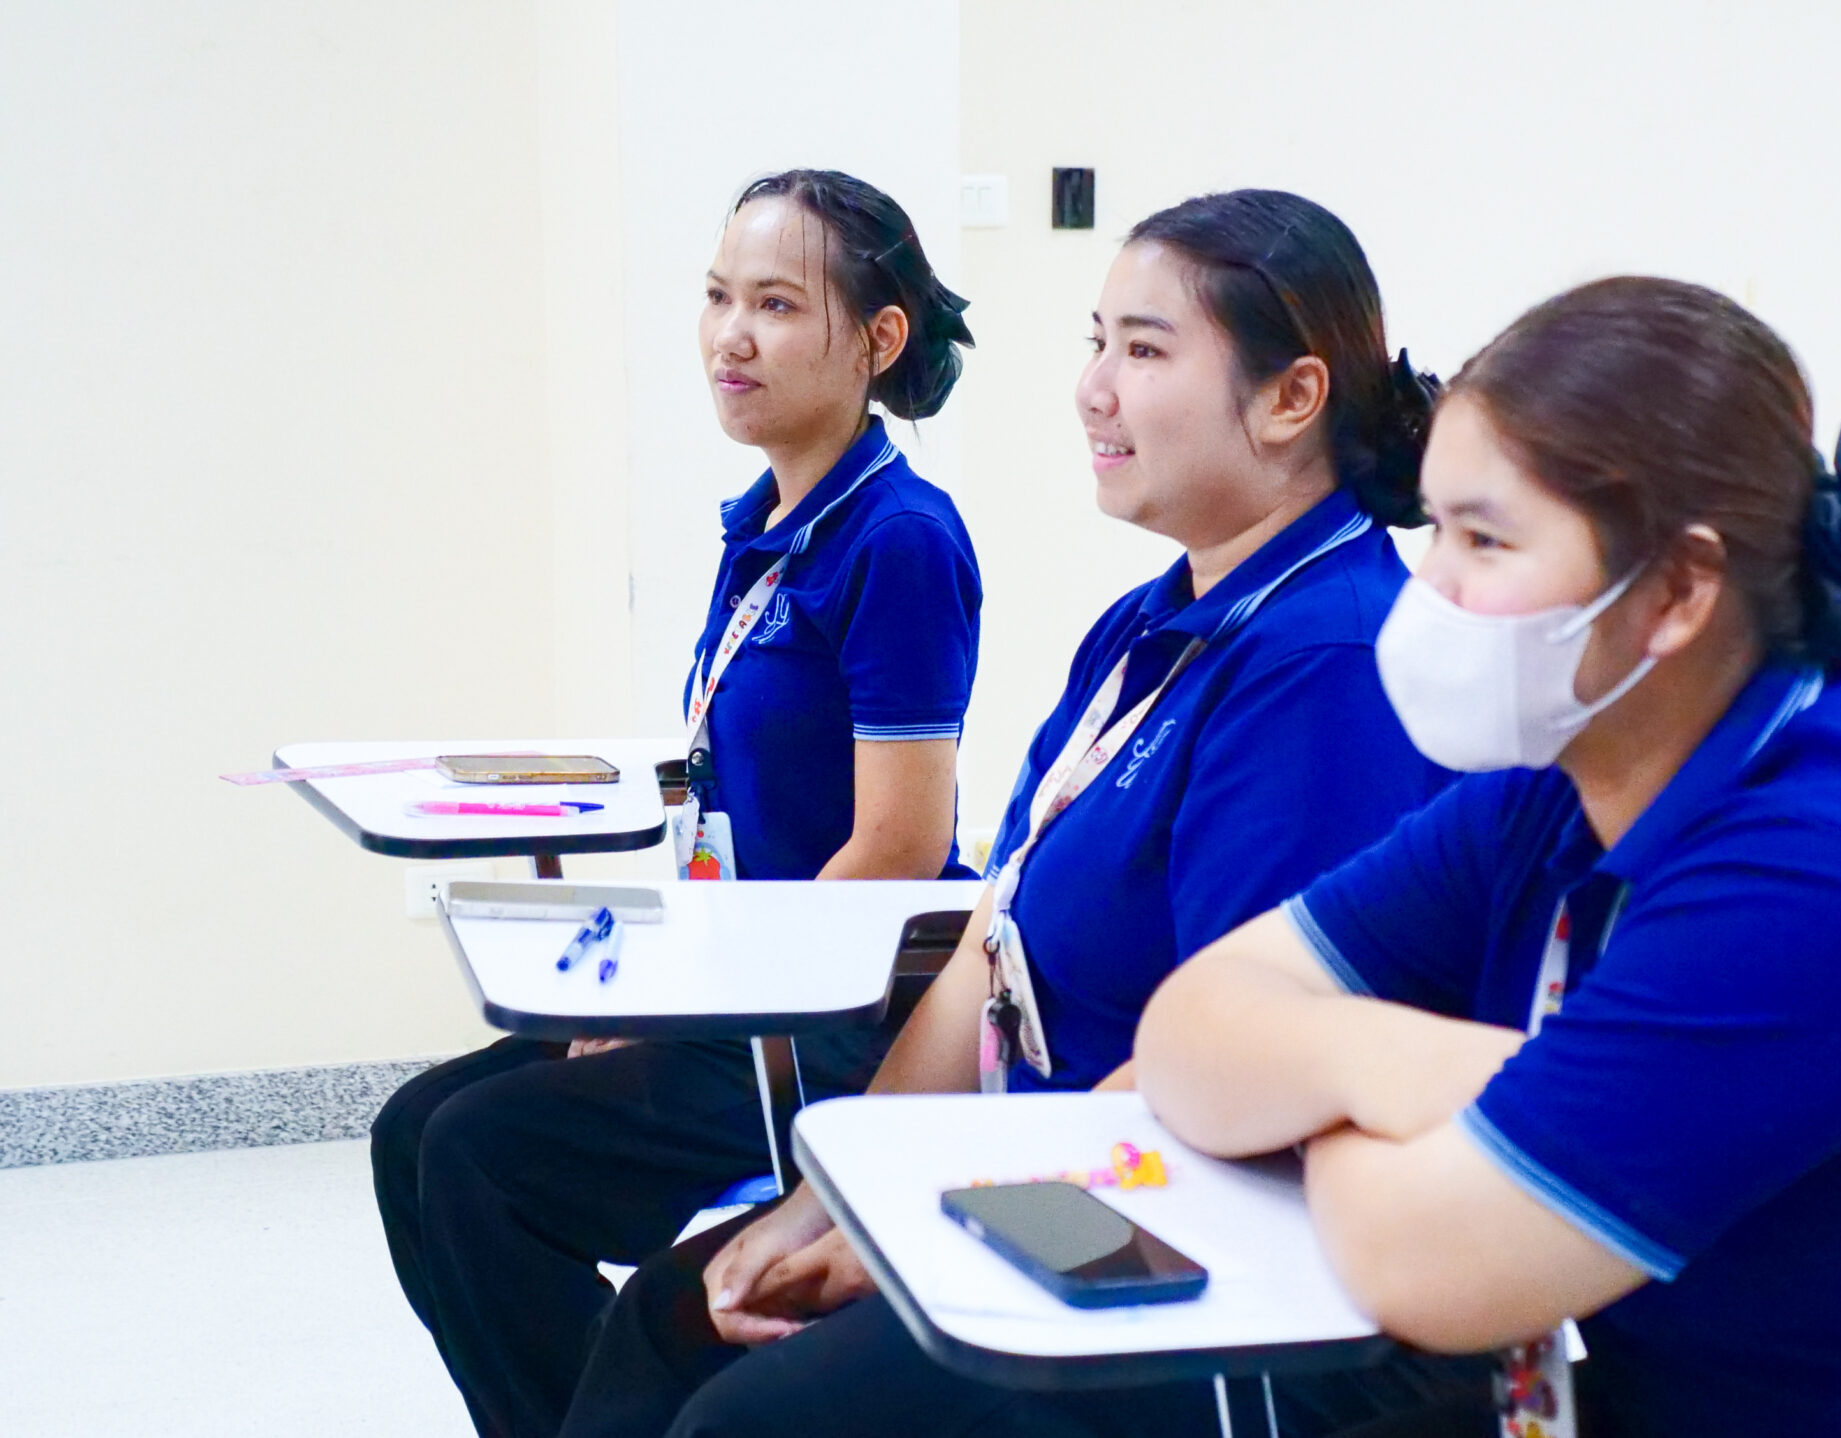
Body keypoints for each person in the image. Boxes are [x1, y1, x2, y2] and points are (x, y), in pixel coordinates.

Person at [1136, 277, 1841, 1437]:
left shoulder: (1826, 874)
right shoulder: (1557, 786)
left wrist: (1323, 1102)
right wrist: (1410, 1071)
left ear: (1675, 589)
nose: (1434, 590)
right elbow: (1189, 1029)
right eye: (1437, 531)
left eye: (1485, 540)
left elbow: (1429, 1270)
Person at [556, 189, 1483, 1438]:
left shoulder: (1323, 664)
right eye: (1096, 341)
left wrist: (935, 1211)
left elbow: (1238, 1069)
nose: (1092, 389)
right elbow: (988, 948)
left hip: (1162, 1234)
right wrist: (831, 1194)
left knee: (745, 1416)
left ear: (1290, 398)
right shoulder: (1149, 624)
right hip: (1027, 1168)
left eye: (1143, 350)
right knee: (668, 1321)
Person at [371, 169, 984, 1438]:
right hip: (742, 979)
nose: (730, 336)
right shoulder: (764, 524)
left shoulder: (899, 539)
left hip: (838, 1006)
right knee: (413, 1130)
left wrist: (685, 1000)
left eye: (775, 304)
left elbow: (899, 846)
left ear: (878, 340)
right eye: (717, 297)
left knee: (481, 1157)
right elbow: (725, 800)